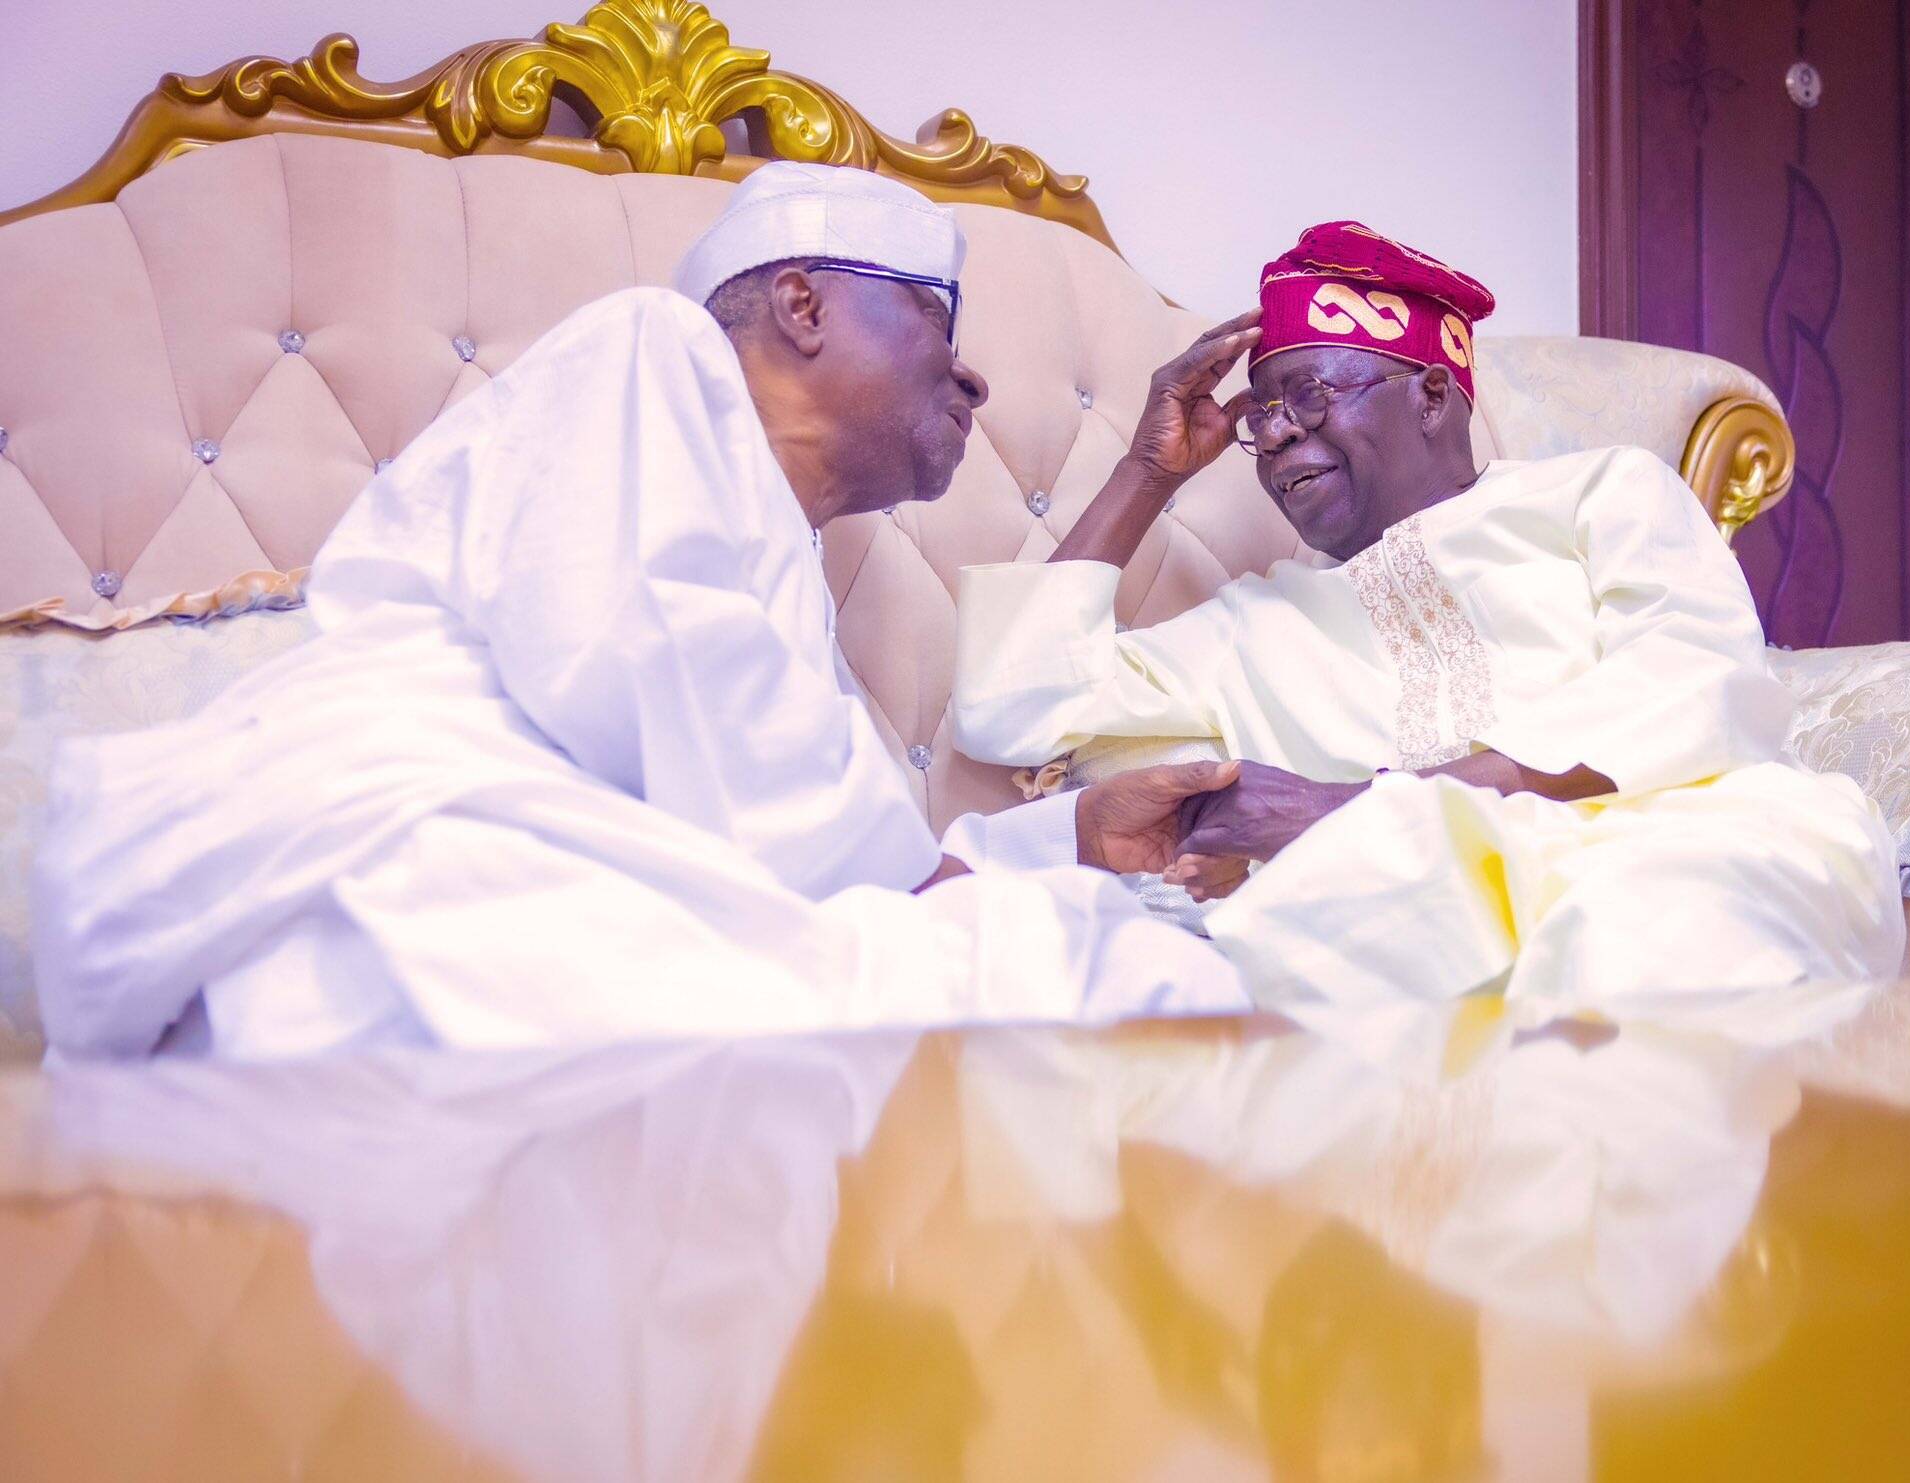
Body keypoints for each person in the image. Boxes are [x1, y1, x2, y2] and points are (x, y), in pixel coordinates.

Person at [30, 164, 1263, 1058]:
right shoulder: (650, 354)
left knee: (1065, 951)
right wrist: (957, 898)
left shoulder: (776, 567)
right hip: (418, 836)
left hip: (571, 875)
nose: (974, 375)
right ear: (800, 304)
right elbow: (632, 667)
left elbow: (801, 843)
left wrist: (1069, 841)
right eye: (938, 320)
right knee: (1049, 967)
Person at [952, 220, 1905, 1015]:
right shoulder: (1250, 622)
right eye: (1260, 417)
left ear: (1435, 396)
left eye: (1310, 395)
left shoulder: (1602, 493)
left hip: (1662, 850)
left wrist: (1354, 807)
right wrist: (1145, 473)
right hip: (1403, 907)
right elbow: (1014, 706)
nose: (1276, 431)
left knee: (1698, 902)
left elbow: (1697, 681)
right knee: (1322, 927)